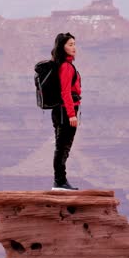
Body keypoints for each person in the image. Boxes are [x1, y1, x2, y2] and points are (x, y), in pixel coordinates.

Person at [50, 32, 82, 190]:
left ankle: (60, 181)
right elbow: (65, 92)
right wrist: (71, 114)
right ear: (62, 47)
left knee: (61, 146)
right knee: (63, 147)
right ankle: (60, 181)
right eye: (70, 44)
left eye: (74, 44)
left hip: (59, 111)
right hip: (65, 112)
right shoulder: (66, 66)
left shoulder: (61, 64)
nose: (74, 47)